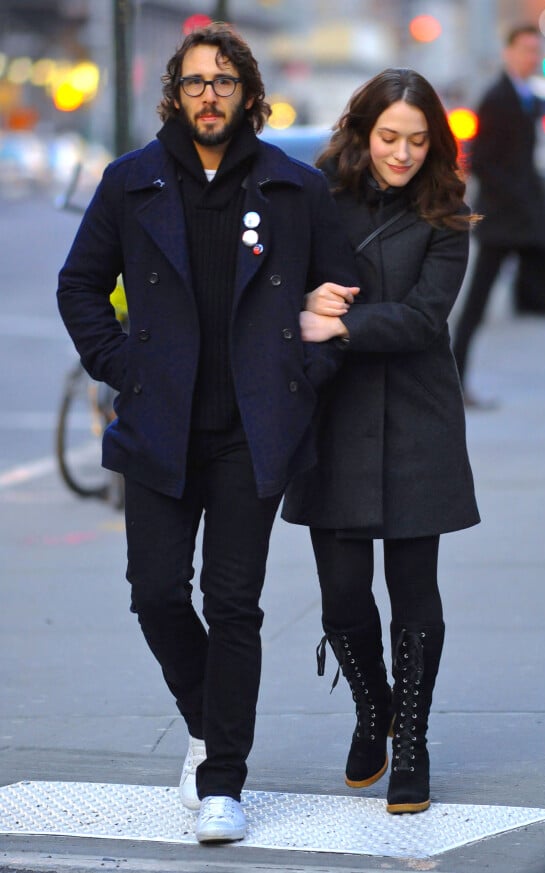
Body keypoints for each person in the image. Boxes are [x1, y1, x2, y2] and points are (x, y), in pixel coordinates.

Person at [57, 22, 358, 843]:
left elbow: (339, 292)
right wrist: (126, 367)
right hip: (159, 425)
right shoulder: (133, 183)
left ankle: (224, 778)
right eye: (195, 82)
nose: (210, 94)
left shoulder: (295, 189)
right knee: (155, 592)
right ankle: (205, 718)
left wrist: (305, 374)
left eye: (224, 80)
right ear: (175, 94)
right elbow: (79, 285)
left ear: (247, 92)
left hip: (250, 433)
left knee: (233, 605)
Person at [282, 67, 480, 814]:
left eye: (418, 140)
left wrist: (336, 321)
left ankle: (415, 742)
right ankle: (375, 708)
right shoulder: (316, 199)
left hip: (416, 417)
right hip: (331, 415)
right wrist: (302, 298)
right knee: (341, 599)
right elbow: (277, 281)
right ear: (363, 130)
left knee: (413, 594)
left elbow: (426, 319)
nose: (402, 153)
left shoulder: (448, 215)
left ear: (436, 145)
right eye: (389, 136)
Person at [452, 24, 545, 408]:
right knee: (475, 307)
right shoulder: (497, 98)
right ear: (508, 53)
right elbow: (486, 163)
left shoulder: (529, 97)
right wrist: (525, 202)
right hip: (505, 223)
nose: (531, 57)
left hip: (527, 224)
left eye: (535, 51)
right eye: (525, 49)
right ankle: (455, 385)